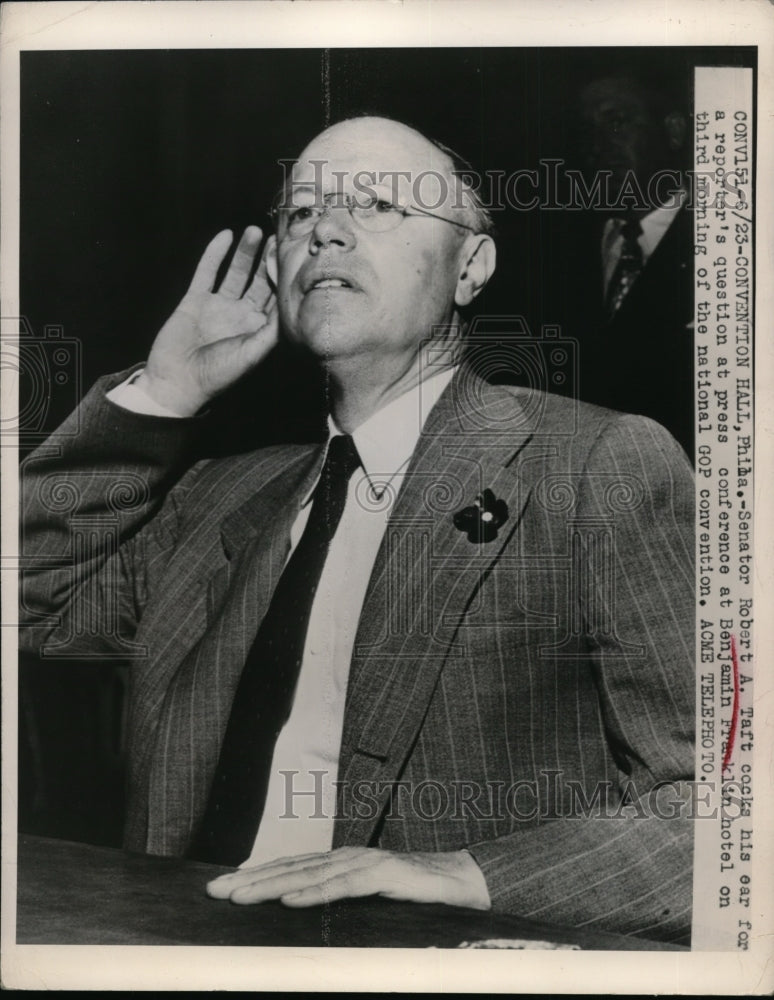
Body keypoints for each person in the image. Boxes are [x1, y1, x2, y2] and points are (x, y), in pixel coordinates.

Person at [20, 116, 695, 943]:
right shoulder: (221, 497)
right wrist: (163, 394)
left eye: (378, 203)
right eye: (301, 213)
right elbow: (29, 599)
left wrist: (466, 873)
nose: (326, 229)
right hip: (182, 942)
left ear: (470, 268)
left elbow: (722, 809)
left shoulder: (598, 467)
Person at [542, 73, 694, 458]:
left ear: (675, 131)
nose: (597, 145)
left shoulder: (723, 246)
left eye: (616, 123)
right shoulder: (556, 248)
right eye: (586, 131)